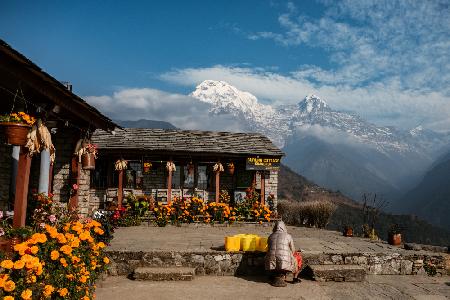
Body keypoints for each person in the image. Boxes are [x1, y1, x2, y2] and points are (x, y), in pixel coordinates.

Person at [265, 220, 302, 287]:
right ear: (284, 227)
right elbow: (293, 250)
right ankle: (295, 278)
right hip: (284, 261)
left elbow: (268, 249)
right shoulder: (288, 236)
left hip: (271, 261)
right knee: (298, 257)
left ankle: (273, 275)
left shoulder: (270, 236)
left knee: (271, 255)